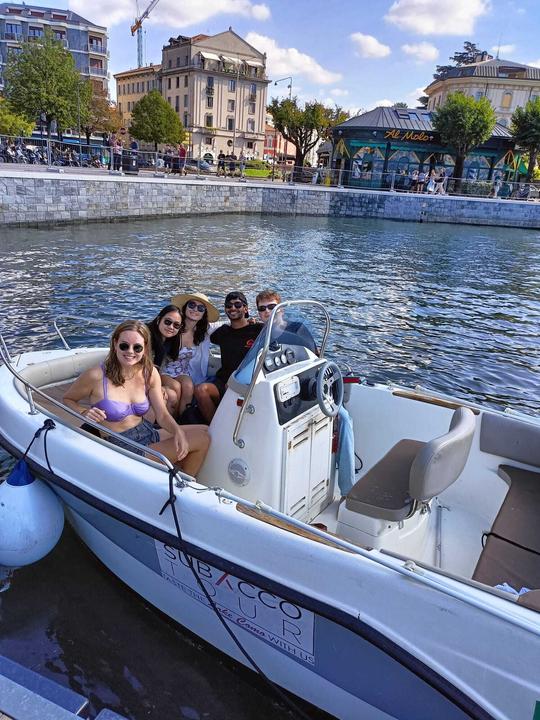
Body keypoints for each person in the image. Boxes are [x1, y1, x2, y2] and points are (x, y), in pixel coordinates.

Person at [63, 320, 210, 475]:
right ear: (115, 344)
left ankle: (176, 475)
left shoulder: (149, 373)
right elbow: (68, 399)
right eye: (124, 345)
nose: (130, 351)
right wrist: (83, 412)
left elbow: (162, 415)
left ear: (145, 347)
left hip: (146, 432)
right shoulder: (96, 376)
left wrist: (177, 431)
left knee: (206, 431)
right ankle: (184, 487)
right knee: (201, 439)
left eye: (137, 347)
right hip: (122, 444)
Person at [194, 292, 262, 423]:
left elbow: (278, 334)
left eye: (238, 305)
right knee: (201, 390)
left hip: (247, 382)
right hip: (223, 379)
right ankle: (214, 427)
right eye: (228, 305)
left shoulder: (258, 330)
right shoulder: (222, 332)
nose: (233, 308)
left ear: (246, 308)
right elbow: (202, 329)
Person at [162, 292, 221, 412]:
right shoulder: (173, 326)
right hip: (163, 370)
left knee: (188, 387)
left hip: (183, 372)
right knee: (176, 388)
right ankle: (171, 422)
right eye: (192, 305)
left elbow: (225, 324)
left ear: (204, 313)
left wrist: (249, 322)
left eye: (200, 308)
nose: (195, 309)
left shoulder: (202, 331)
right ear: (185, 308)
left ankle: (183, 419)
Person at [146, 304, 184, 417]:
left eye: (176, 325)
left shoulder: (168, 341)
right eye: (167, 322)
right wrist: (157, 388)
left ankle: (171, 424)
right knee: (170, 395)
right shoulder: (146, 337)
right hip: (138, 379)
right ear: (159, 320)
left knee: (176, 388)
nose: (171, 327)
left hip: (153, 377)